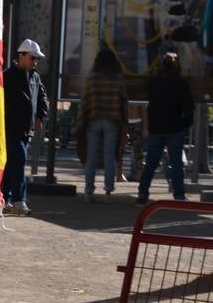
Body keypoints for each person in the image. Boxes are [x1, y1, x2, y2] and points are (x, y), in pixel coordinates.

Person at [136, 51, 194, 204]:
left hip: (155, 126)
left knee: (151, 163)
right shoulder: (181, 82)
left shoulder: (153, 81)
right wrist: (186, 123)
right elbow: (188, 106)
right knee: (176, 163)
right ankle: (179, 195)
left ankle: (142, 193)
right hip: (175, 127)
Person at [0, 39, 50, 214]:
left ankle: (4, 199)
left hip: (24, 130)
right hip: (10, 128)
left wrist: (39, 116)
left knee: (11, 165)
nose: (35, 61)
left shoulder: (35, 77)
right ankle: (19, 200)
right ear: (21, 56)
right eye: (32, 58)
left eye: (37, 59)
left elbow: (43, 98)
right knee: (18, 162)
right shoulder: (7, 76)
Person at [75, 48, 126, 204]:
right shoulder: (118, 79)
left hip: (94, 120)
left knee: (91, 157)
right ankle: (108, 192)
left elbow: (85, 102)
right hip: (112, 120)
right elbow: (124, 101)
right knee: (109, 157)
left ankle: (88, 191)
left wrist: (80, 121)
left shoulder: (92, 79)